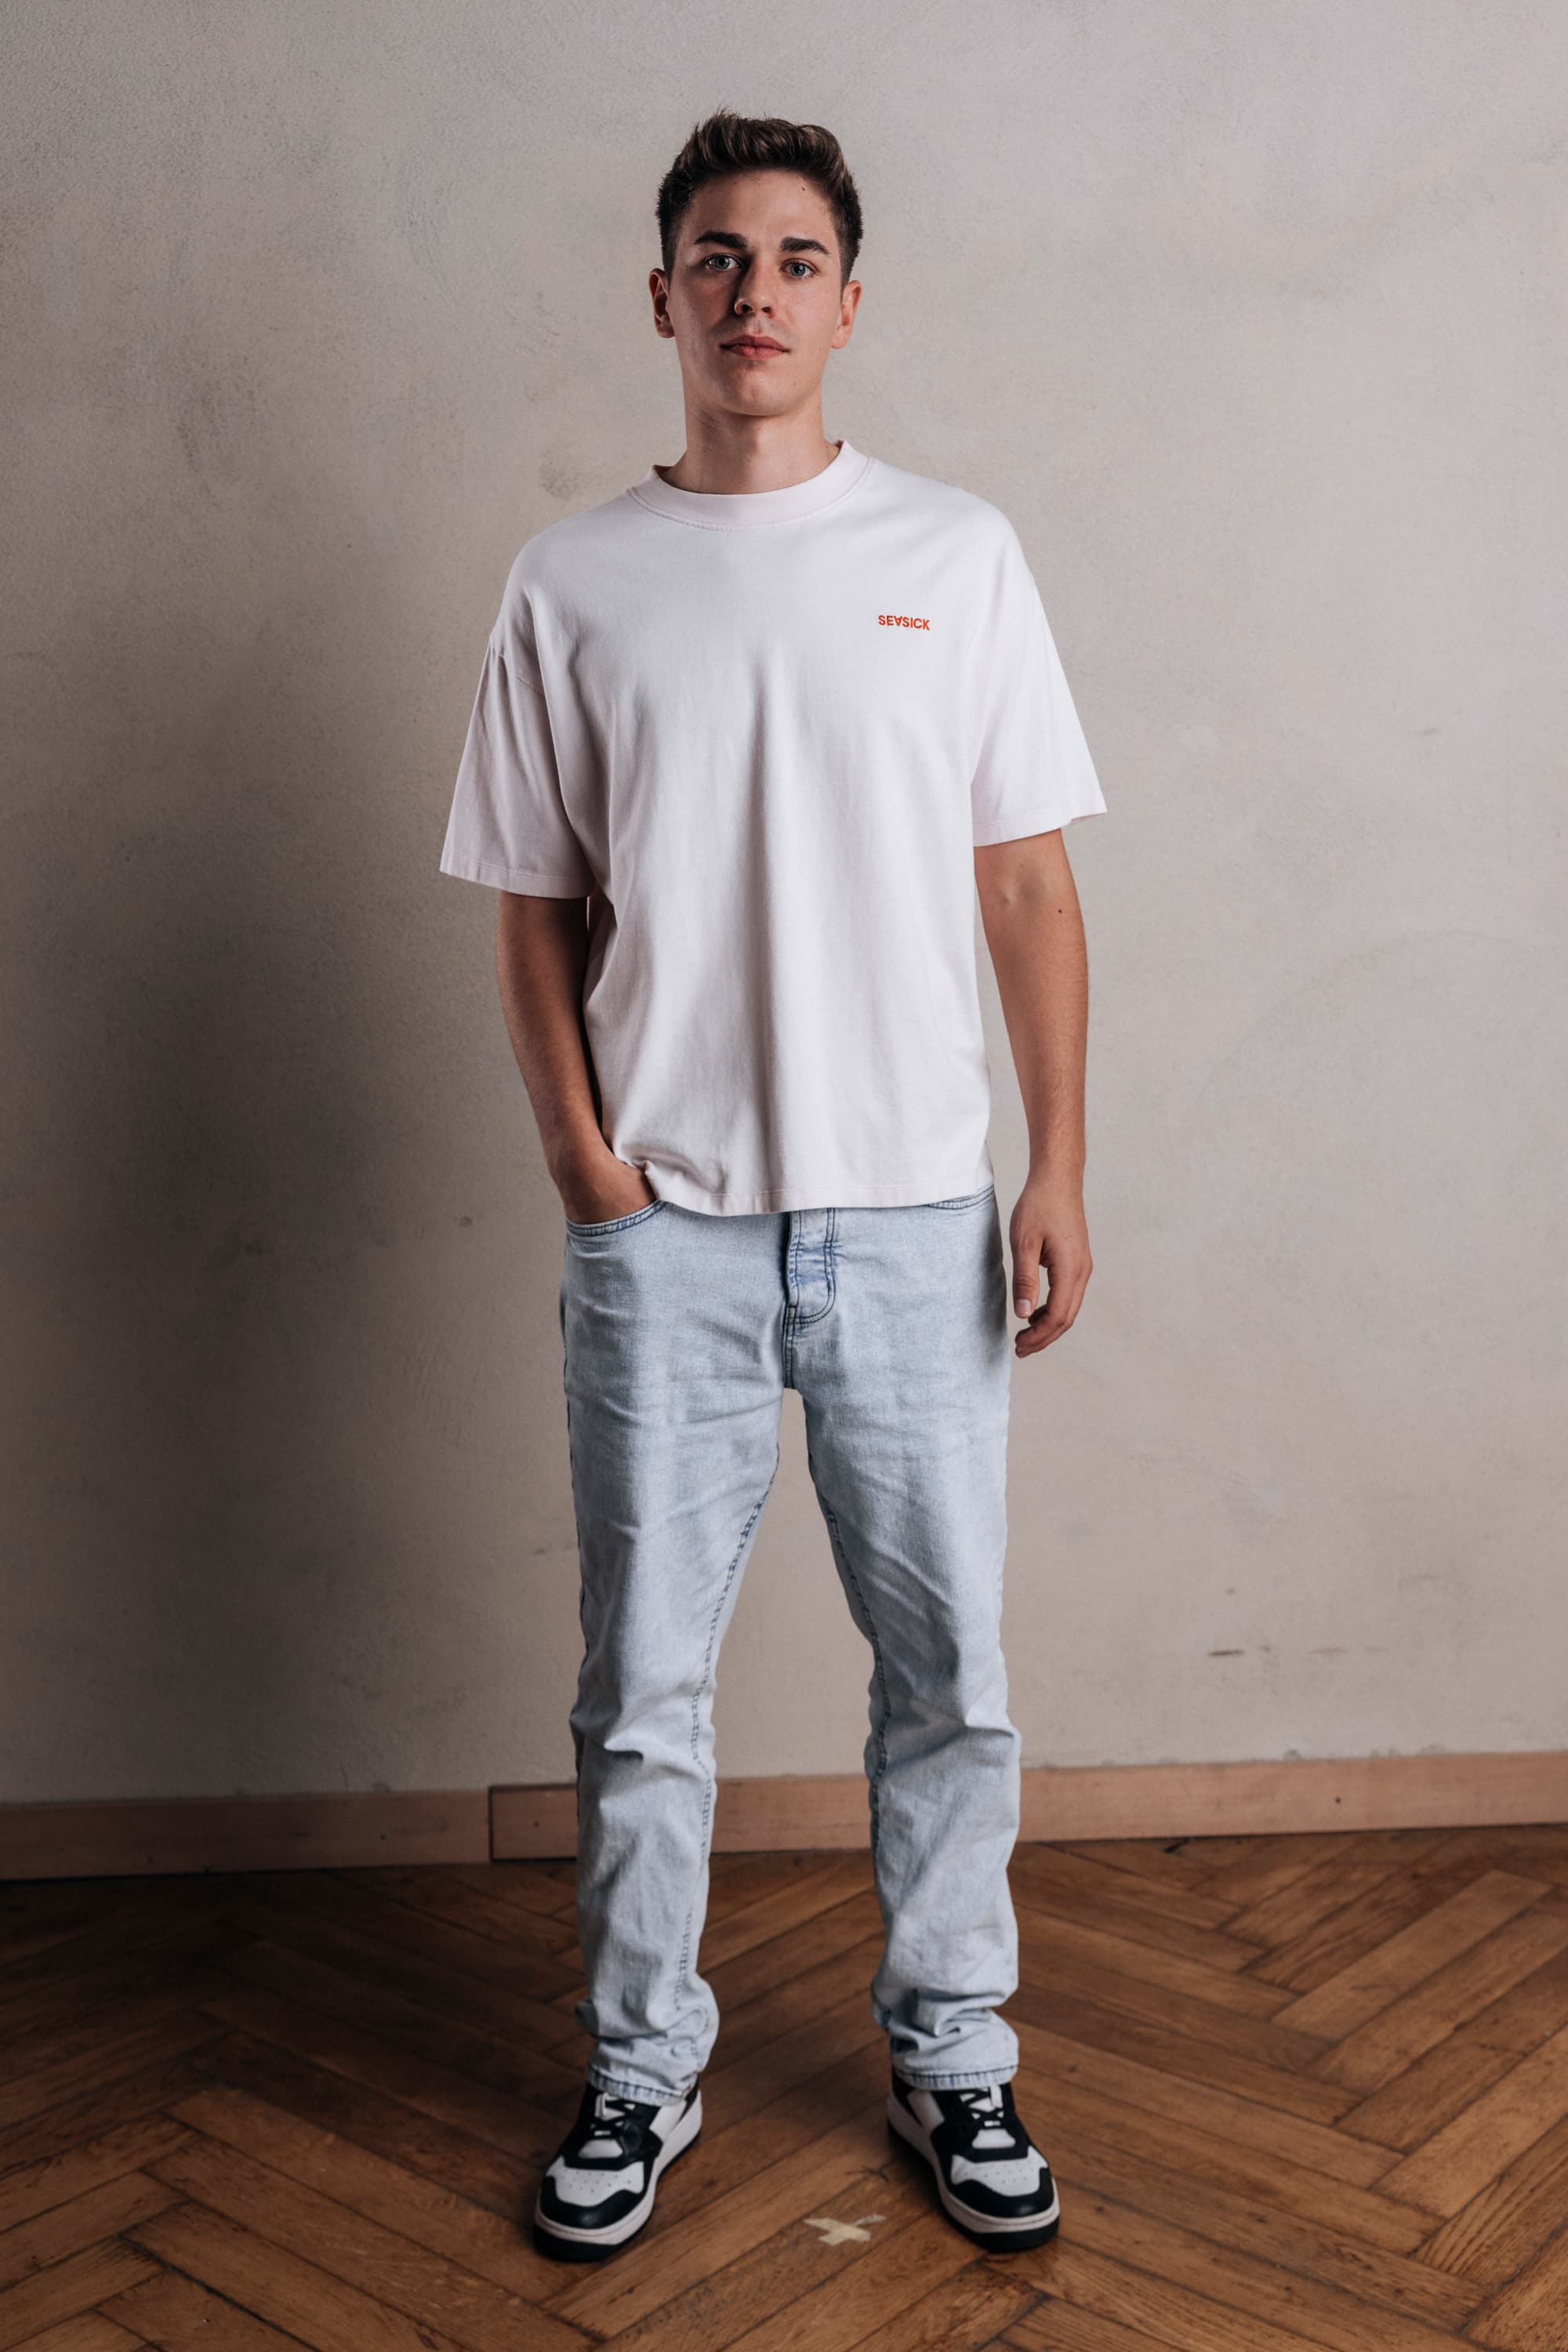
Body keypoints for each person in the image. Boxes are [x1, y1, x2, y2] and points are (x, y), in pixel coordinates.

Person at [439, 107, 1105, 2264]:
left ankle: (954, 2053)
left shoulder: (956, 554)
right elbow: (531, 905)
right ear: (664, 297)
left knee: (953, 1675)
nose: (756, 292)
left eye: (796, 258)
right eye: (718, 257)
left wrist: (1056, 1161)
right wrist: (584, 1164)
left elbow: (1027, 887)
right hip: (669, 1235)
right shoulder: (572, 580)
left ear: (848, 301)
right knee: (641, 1695)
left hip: (915, 1216)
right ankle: (640, 2070)